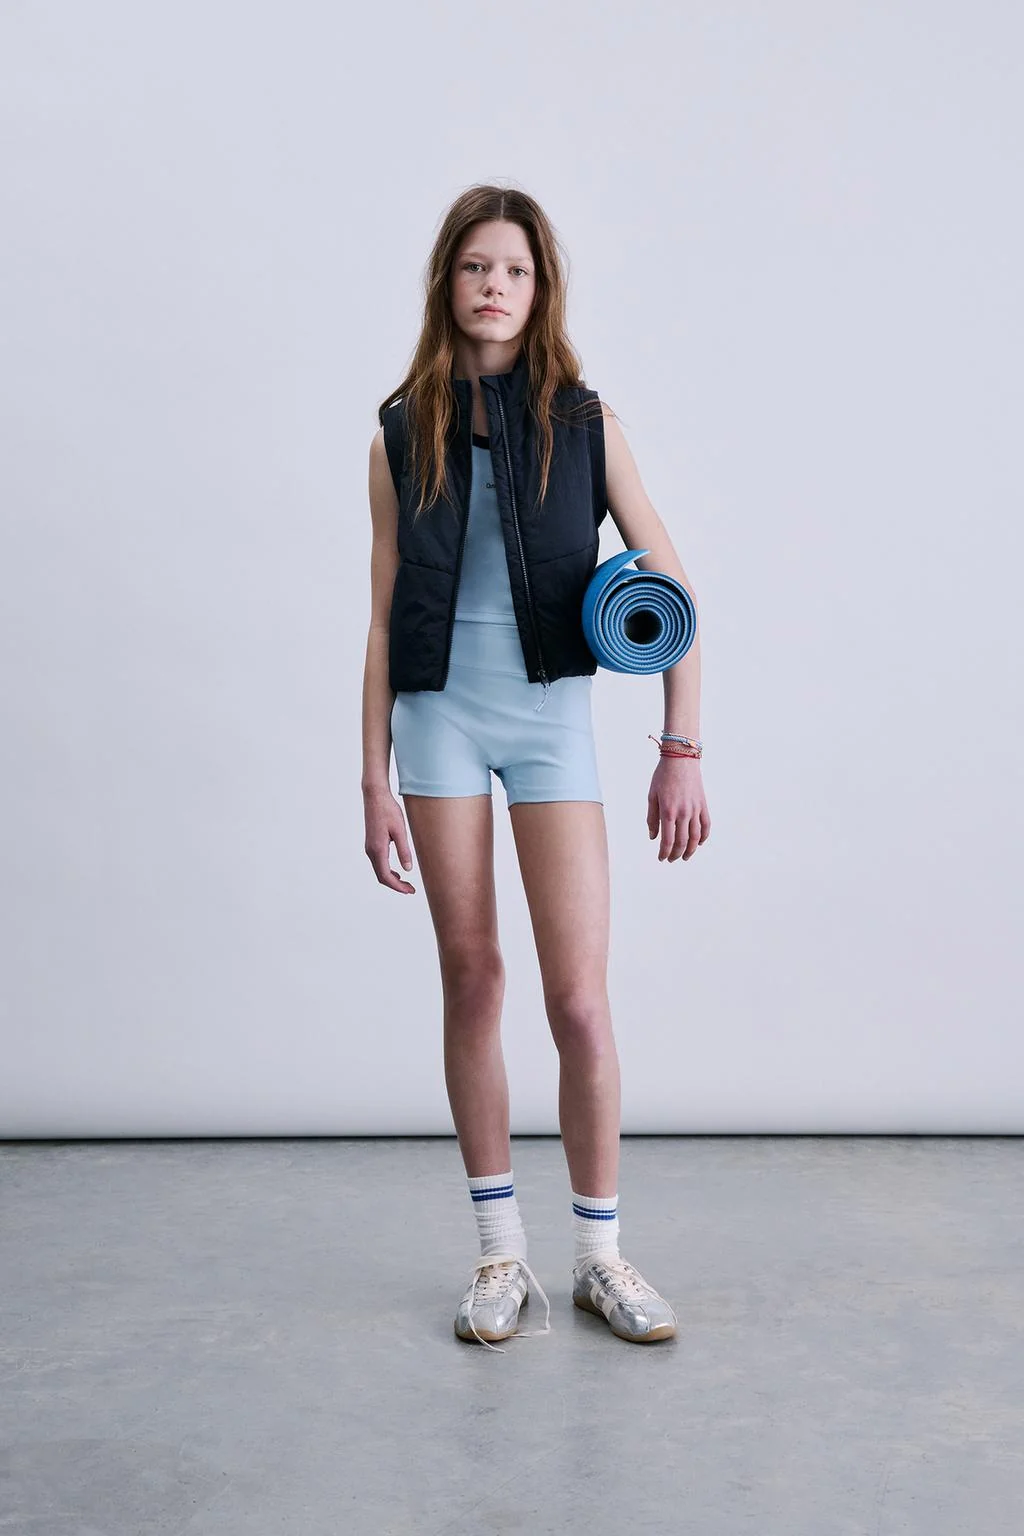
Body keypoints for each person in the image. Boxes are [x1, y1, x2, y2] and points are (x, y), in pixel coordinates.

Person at [361, 184, 711, 1353]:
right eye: (475, 267)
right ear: (447, 285)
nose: (493, 286)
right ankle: (498, 1255)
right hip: (437, 724)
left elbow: (673, 589)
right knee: (473, 980)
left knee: (578, 1001)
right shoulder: (399, 432)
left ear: (539, 288)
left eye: (513, 269)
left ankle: (600, 1257)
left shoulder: (587, 425)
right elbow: (380, 620)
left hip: (550, 721)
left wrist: (680, 748)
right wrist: (372, 778)